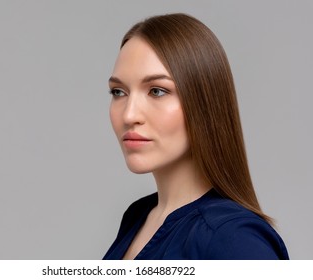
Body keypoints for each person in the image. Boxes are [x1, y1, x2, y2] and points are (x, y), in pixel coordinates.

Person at [103, 13, 289, 260]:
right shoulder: (138, 217)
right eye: (119, 91)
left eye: (157, 91)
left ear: (204, 103)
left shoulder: (234, 239)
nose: (129, 114)